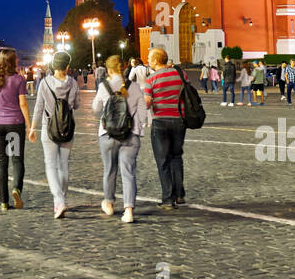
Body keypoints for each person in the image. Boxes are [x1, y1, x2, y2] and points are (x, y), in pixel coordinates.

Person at [92, 54, 146, 223]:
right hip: (130, 135)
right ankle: (129, 210)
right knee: (128, 172)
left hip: (107, 134)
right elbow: (143, 113)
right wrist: (139, 128)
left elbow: (95, 109)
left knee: (109, 170)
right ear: (123, 67)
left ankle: (108, 203)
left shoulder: (104, 86)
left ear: (108, 70)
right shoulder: (135, 87)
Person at [31, 52, 79, 219]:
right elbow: (76, 105)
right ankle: (62, 197)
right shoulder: (73, 83)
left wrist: (32, 128)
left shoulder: (44, 83)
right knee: (64, 164)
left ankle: (58, 201)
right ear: (67, 66)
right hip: (67, 128)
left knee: (51, 165)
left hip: (48, 128)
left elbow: (38, 107)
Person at [0, 49, 31, 211]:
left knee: (1, 162)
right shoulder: (18, 80)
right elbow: (23, 104)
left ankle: (3, 202)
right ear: (13, 61)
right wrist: (29, 125)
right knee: (17, 159)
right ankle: (16, 188)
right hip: (14, 125)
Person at [144, 47, 187, 210]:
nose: (148, 60)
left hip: (160, 121)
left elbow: (147, 103)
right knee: (176, 156)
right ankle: (179, 194)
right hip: (179, 120)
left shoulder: (151, 79)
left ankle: (168, 199)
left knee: (163, 161)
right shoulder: (181, 74)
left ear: (156, 60)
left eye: (149, 57)